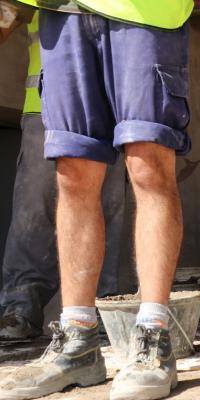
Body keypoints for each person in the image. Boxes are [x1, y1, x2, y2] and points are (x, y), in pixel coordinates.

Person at [0, 1, 194, 399]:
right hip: (61, 12)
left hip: (145, 11)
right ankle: (78, 342)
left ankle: (154, 336)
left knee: (148, 165)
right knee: (73, 173)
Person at [0, 7, 126, 340]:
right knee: (34, 211)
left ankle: (98, 306)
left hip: (109, 109)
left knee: (104, 209)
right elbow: (7, 15)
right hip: (43, 103)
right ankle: (21, 307)